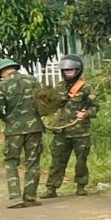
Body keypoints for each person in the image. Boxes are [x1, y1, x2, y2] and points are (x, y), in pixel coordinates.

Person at [0, 57, 44, 209]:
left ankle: (15, 198)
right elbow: (44, 101)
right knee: (33, 162)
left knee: (11, 162)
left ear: (2, 73)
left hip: (14, 130)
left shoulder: (3, 85)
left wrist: (6, 117)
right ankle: (30, 197)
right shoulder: (33, 80)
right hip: (35, 128)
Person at [42, 54, 98, 199]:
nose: (68, 73)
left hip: (80, 132)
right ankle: (51, 188)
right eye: (66, 70)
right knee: (57, 161)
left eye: (71, 70)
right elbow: (52, 105)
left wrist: (86, 113)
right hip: (61, 131)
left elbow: (96, 108)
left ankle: (81, 186)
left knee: (81, 161)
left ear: (78, 70)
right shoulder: (59, 87)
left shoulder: (86, 88)